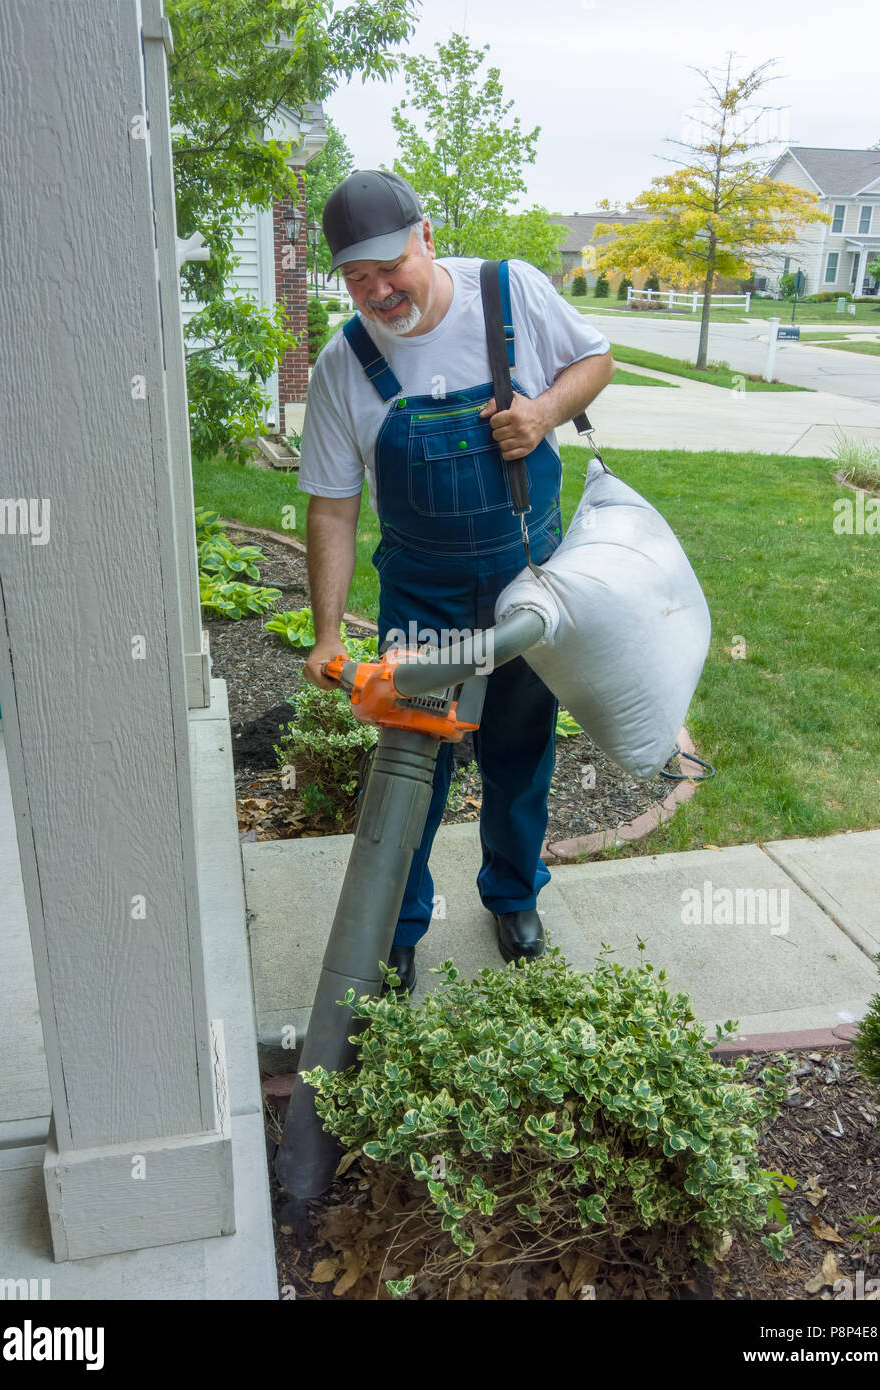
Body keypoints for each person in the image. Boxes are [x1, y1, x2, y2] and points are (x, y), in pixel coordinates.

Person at [297, 169, 614, 994]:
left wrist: (542, 412)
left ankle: (513, 896)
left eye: (388, 268)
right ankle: (399, 929)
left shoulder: (507, 293)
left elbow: (594, 359)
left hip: (522, 584)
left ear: (426, 237)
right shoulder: (345, 362)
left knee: (519, 755)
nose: (377, 292)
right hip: (423, 600)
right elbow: (332, 508)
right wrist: (327, 632)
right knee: (412, 769)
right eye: (356, 279)